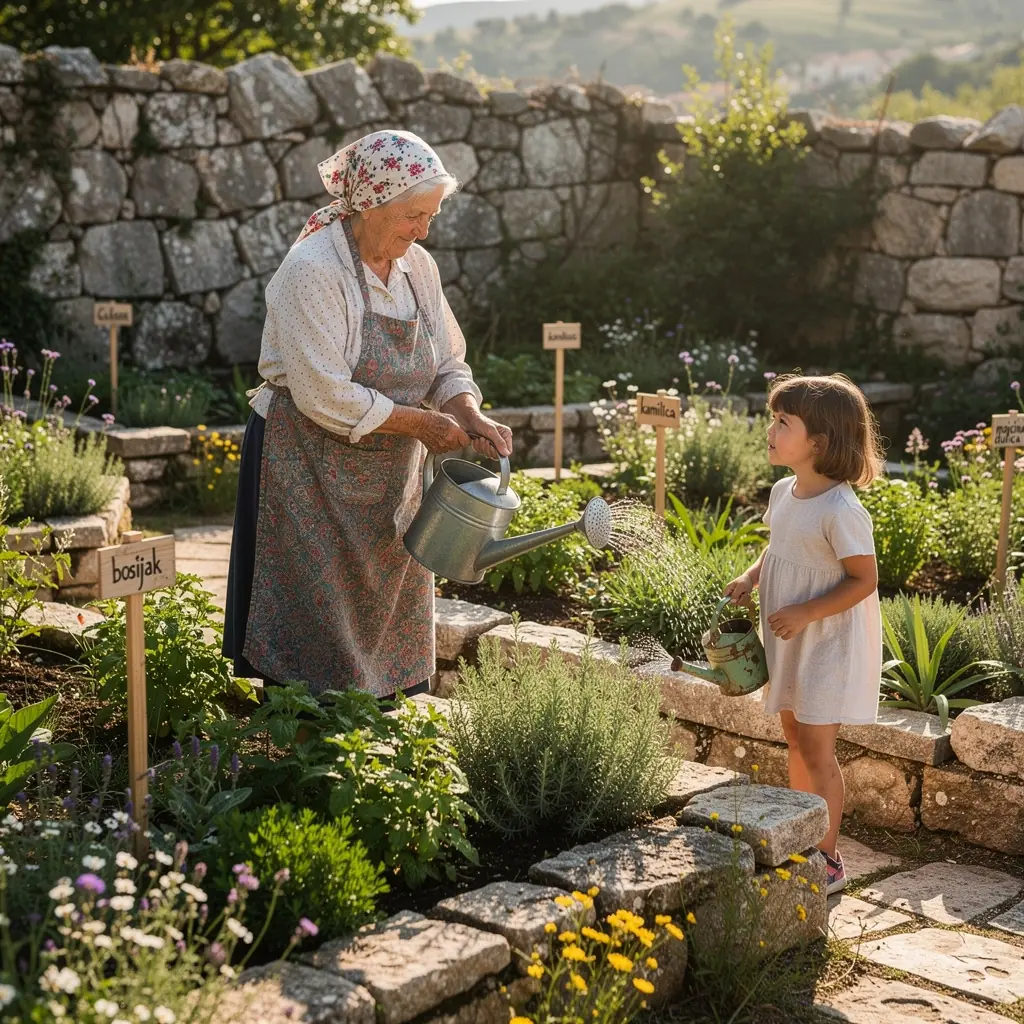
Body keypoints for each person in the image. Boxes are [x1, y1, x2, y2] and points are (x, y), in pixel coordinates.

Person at [222, 130, 513, 702]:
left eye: (430, 216)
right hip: (305, 463)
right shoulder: (314, 268)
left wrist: (467, 411)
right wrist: (426, 427)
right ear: (370, 204)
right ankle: (311, 747)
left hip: (389, 473)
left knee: (386, 605)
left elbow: (446, 360)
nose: (422, 231)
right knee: (315, 613)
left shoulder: (417, 267)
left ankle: (376, 735)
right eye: (412, 216)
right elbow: (323, 394)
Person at [724, 374, 883, 896]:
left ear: (820, 442)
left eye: (783, 422)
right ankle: (803, 834)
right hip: (791, 636)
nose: (770, 430)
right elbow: (777, 549)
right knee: (793, 737)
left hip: (826, 643)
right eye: (773, 419)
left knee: (817, 749)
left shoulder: (841, 510)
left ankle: (829, 856)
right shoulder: (783, 492)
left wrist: (809, 611)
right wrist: (752, 577)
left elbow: (865, 579)